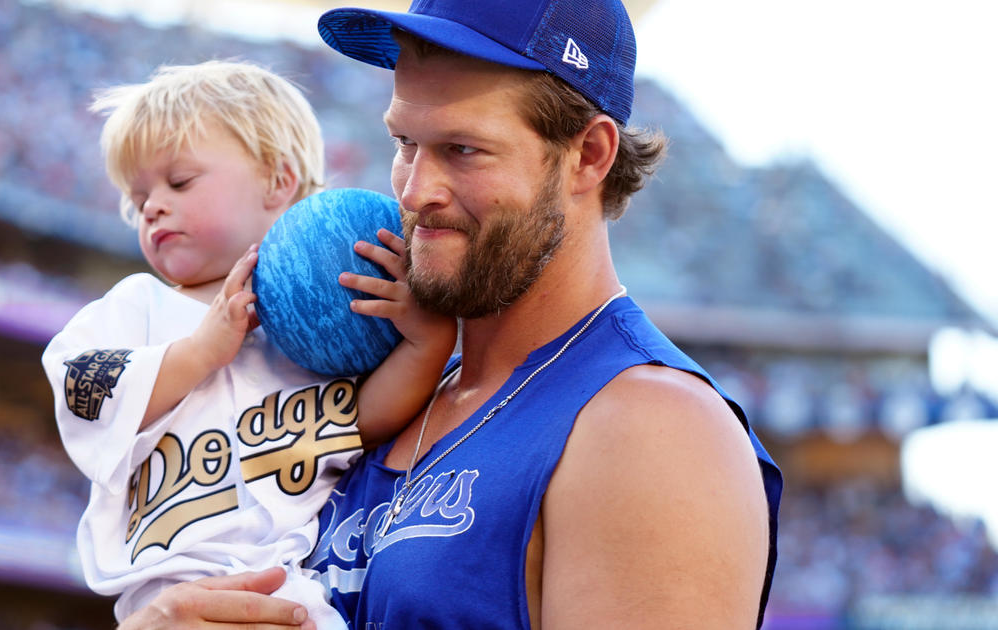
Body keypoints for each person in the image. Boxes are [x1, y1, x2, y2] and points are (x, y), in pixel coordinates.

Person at [117, 1, 783, 628]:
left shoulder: (651, 427)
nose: (414, 189)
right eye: (405, 142)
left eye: (462, 150)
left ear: (590, 155)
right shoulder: (390, 375)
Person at [40, 61, 456, 628]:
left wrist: (428, 344)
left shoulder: (316, 341)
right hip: (162, 597)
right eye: (140, 201)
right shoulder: (136, 305)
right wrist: (200, 351)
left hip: (285, 592)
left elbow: (361, 419)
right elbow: (80, 391)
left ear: (278, 183)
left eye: (179, 182)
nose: (153, 206)